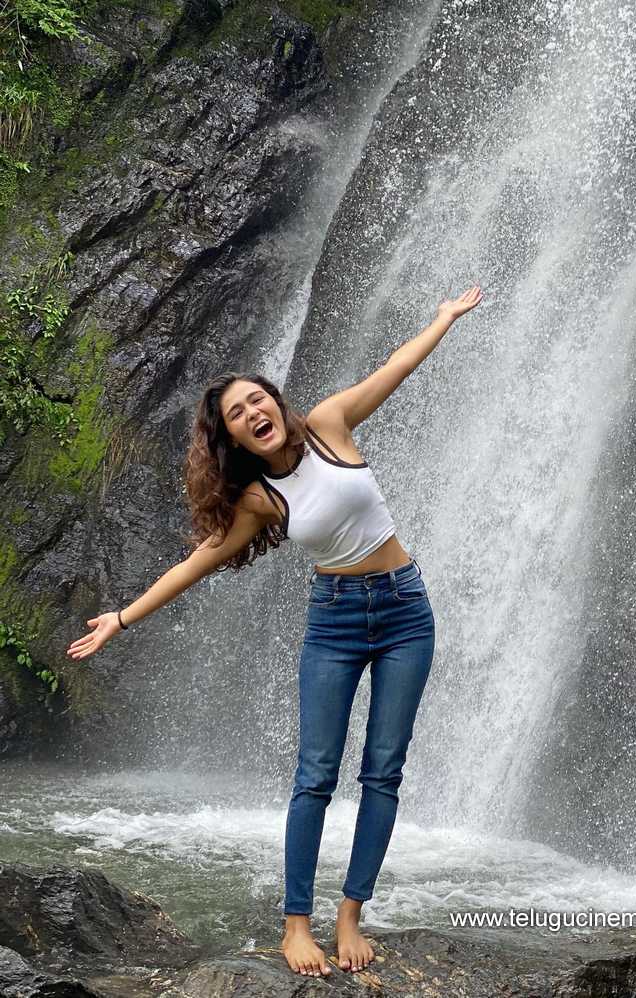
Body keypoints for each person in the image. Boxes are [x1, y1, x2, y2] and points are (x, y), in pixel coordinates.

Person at [66, 284, 483, 977]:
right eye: (236, 414)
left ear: (275, 401)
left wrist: (440, 318)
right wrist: (122, 616)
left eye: (256, 398)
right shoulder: (260, 499)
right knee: (315, 774)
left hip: (407, 608)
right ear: (231, 437)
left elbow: (396, 368)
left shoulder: (330, 423)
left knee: (383, 771)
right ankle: (297, 926)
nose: (253, 412)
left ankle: (350, 916)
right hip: (336, 622)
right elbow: (196, 564)